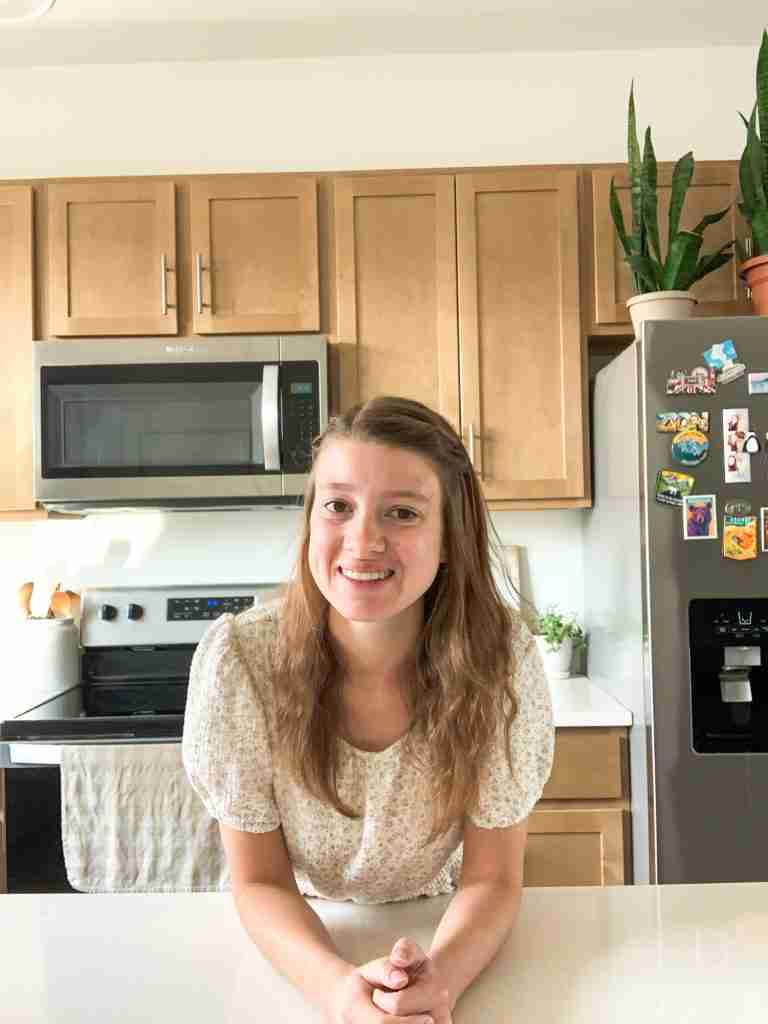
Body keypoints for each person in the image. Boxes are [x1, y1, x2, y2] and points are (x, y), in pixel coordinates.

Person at [182, 396, 554, 1024]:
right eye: (338, 506)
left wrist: (441, 981)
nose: (363, 540)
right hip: (303, 927)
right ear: (311, 522)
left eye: (402, 512)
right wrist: (335, 990)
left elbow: (492, 878)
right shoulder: (240, 662)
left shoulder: (501, 663)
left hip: (446, 921)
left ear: (447, 540)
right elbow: (260, 882)